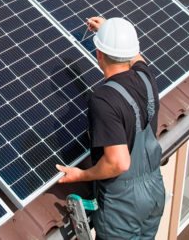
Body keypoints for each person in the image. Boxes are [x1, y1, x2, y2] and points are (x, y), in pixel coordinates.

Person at [56, 16, 165, 240]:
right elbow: (137, 58)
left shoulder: (104, 100)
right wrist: (111, 32)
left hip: (124, 205)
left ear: (99, 54)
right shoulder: (146, 77)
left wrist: (82, 174)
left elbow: (119, 162)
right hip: (154, 191)